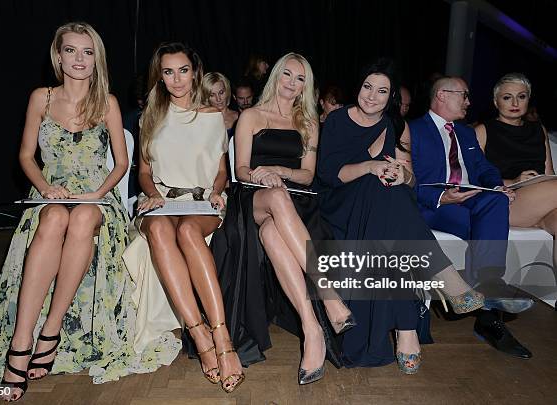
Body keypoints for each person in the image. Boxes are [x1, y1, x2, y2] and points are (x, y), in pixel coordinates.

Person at [0, 22, 180, 402]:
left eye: (87, 52)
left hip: (95, 196)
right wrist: (45, 189)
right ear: (58, 56)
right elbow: (26, 156)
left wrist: (96, 193)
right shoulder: (41, 97)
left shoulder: (105, 101)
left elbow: (121, 165)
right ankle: (21, 341)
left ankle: (51, 329)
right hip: (48, 194)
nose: (79, 59)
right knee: (56, 216)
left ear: (97, 59)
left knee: (84, 217)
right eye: (71, 50)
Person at [315, 59, 483, 373]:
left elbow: (412, 180)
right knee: (380, 193)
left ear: (391, 96)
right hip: (339, 201)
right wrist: (371, 167)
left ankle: (407, 331)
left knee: (389, 204)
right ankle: (434, 295)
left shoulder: (396, 125)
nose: (371, 96)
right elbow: (328, 174)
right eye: (367, 87)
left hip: (381, 206)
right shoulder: (338, 119)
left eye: (382, 91)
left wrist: (400, 174)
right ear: (359, 87)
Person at [210, 52, 355, 385]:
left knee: (274, 234)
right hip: (254, 196)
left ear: (307, 85)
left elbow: (306, 176)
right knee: (275, 197)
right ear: (276, 75)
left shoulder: (308, 121)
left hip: (297, 202)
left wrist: (281, 170)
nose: (292, 83)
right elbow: (240, 170)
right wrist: (265, 176)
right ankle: (330, 297)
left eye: (300, 78)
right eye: (288, 74)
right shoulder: (251, 116)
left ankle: (312, 329)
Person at [123, 42, 244, 393]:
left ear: (196, 72)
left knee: (190, 231)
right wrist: (153, 194)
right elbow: (144, 171)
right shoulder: (151, 115)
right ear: (159, 76)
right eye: (168, 72)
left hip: (201, 202)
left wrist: (218, 191)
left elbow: (222, 169)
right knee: (160, 229)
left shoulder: (212, 117)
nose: (176, 79)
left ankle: (221, 335)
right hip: (161, 201)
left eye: (183, 70)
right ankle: (200, 334)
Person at [409, 76, 534, 359]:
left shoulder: (465, 134)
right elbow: (408, 180)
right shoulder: (413, 129)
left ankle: (488, 284)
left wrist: (496, 185)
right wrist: (442, 197)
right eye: (463, 95)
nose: (468, 102)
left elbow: (484, 167)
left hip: (469, 199)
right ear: (442, 95)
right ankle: (489, 319)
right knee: (486, 229)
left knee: (496, 200)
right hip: (435, 205)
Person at [475, 73, 557, 268]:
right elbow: (472, 178)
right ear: (496, 102)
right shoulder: (483, 130)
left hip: (540, 202)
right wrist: (513, 181)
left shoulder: (539, 130)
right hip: (505, 201)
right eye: (506, 97)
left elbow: (549, 173)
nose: (515, 102)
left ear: (528, 99)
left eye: (521, 96)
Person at [201, 72, 239, 138]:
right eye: (212, 95)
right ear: (206, 97)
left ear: (227, 91)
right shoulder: (203, 121)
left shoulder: (240, 117)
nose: (218, 99)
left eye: (221, 93)